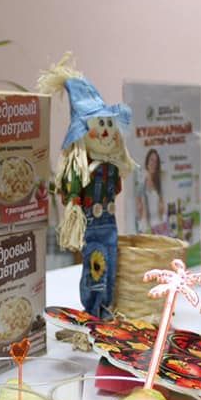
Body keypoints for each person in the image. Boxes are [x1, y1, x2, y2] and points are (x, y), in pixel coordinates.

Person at [39, 54, 135, 318]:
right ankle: (94, 310)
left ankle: (106, 307)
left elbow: (116, 189)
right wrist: (74, 205)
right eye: (99, 124)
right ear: (81, 133)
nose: (106, 131)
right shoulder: (80, 167)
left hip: (110, 223)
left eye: (109, 123)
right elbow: (70, 189)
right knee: (96, 263)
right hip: (92, 223)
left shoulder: (110, 166)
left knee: (110, 262)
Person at [136, 148, 168, 235]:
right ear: (147, 162)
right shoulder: (141, 184)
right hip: (146, 228)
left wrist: (163, 222)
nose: (154, 163)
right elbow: (139, 209)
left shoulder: (159, 183)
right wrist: (142, 227)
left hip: (159, 226)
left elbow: (163, 207)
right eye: (152, 160)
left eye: (156, 161)